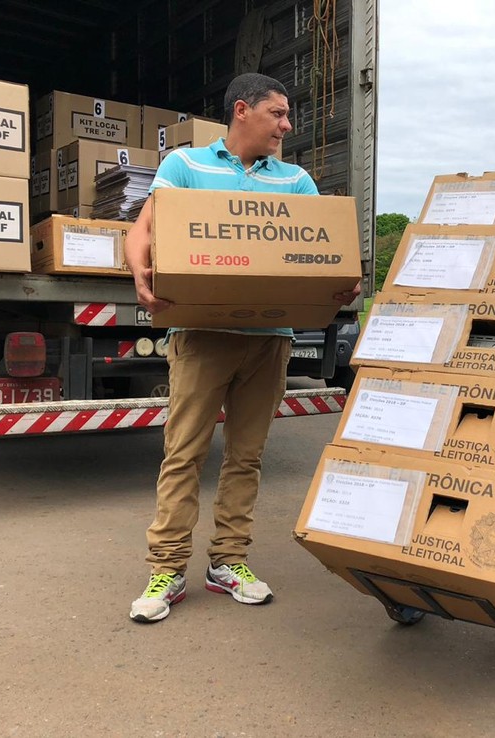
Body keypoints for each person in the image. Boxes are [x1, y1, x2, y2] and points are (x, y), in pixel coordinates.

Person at [124, 73, 361, 623]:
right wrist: (139, 271)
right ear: (241, 111)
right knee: (183, 452)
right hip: (201, 336)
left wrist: (339, 282)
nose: (287, 125)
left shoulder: (296, 180)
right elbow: (144, 229)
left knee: (246, 457)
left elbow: (320, 250)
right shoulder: (186, 166)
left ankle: (228, 561)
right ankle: (167, 567)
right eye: (278, 113)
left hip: (269, 341)